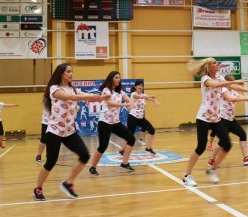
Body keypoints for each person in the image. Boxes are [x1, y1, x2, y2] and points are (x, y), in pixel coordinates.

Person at [33, 63, 110, 201]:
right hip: (55, 131)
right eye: (68, 71)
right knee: (51, 161)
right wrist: (87, 97)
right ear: (61, 73)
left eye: (72, 71)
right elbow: (71, 97)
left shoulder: (73, 88)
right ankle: (38, 188)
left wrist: (97, 97)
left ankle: (68, 183)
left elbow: (82, 94)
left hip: (69, 131)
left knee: (84, 155)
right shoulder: (54, 88)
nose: (71, 74)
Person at [182, 58, 245, 186]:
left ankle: (212, 169)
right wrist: (233, 81)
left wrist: (247, 91)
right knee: (200, 147)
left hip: (216, 118)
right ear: (209, 67)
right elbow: (215, 85)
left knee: (227, 144)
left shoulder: (219, 77)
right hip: (204, 117)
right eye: (215, 63)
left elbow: (229, 85)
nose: (218, 64)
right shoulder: (205, 79)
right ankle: (187, 175)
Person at [88, 71, 137, 176]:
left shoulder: (120, 92)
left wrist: (131, 104)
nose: (118, 79)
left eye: (119, 78)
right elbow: (110, 103)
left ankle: (124, 163)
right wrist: (125, 104)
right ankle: (92, 167)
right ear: (111, 79)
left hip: (115, 122)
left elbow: (128, 100)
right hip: (104, 122)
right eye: (116, 77)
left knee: (131, 138)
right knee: (103, 146)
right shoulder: (106, 90)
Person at [207, 74, 248, 167]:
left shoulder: (232, 91)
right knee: (222, 143)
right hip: (222, 119)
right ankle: (211, 160)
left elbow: (239, 97)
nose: (233, 84)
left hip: (231, 119)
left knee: (242, 134)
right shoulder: (223, 89)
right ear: (227, 82)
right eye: (232, 82)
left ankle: (246, 158)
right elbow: (230, 98)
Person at [126, 80, 160, 155]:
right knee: (129, 135)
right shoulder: (133, 94)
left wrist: (155, 100)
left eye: (142, 86)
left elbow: (149, 98)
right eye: (139, 85)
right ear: (135, 87)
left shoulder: (144, 95)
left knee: (152, 130)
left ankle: (148, 148)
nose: (140, 87)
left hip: (140, 118)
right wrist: (150, 96)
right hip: (133, 117)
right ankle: (122, 150)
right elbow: (140, 96)